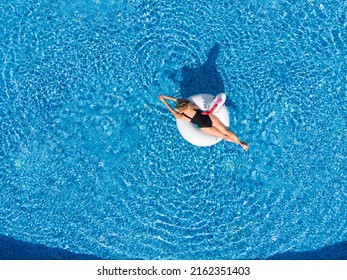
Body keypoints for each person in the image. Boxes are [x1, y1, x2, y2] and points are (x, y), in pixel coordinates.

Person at [158, 95, 249, 151]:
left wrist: (164, 102)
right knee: (226, 131)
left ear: (181, 110)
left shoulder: (181, 116)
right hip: (208, 117)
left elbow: (171, 110)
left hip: (204, 127)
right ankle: (241, 142)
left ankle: (240, 144)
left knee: (224, 136)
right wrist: (164, 97)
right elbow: (176, 99)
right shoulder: (188, 104)